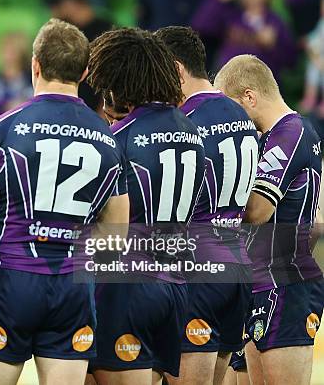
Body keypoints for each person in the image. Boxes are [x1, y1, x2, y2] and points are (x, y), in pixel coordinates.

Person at [0, 18, 128, 385]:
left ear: (35, 65)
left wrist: (3, 205)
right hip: (71, 288)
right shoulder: (110, 140)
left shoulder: (3, 128)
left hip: (10, 281)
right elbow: (116, 239)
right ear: (84, 72)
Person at [87, 27, 206, 385]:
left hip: (126, 286)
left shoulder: (117, 138)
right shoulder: (193, 134)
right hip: (174, 286)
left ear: (118, 80)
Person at [155, 26, 256, 385]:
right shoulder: (241, 114)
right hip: (237, 267)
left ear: (178, 71)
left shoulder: (182, 125)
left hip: (196, 268)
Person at [214, 54, 323, 385]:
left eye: (231, 108)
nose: (229, 120)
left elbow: (256, 211)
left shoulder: (290, 133)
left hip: (283, 284)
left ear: (249, 96)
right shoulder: (278, 137)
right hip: (261, 281)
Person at [192, 0, 297, 80]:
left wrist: (273, 46)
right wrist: (217, 0)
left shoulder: (275, 22)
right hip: (228, 82)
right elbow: (201, 27)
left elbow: (291, 60)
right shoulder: (231, 16)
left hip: (262, 86)